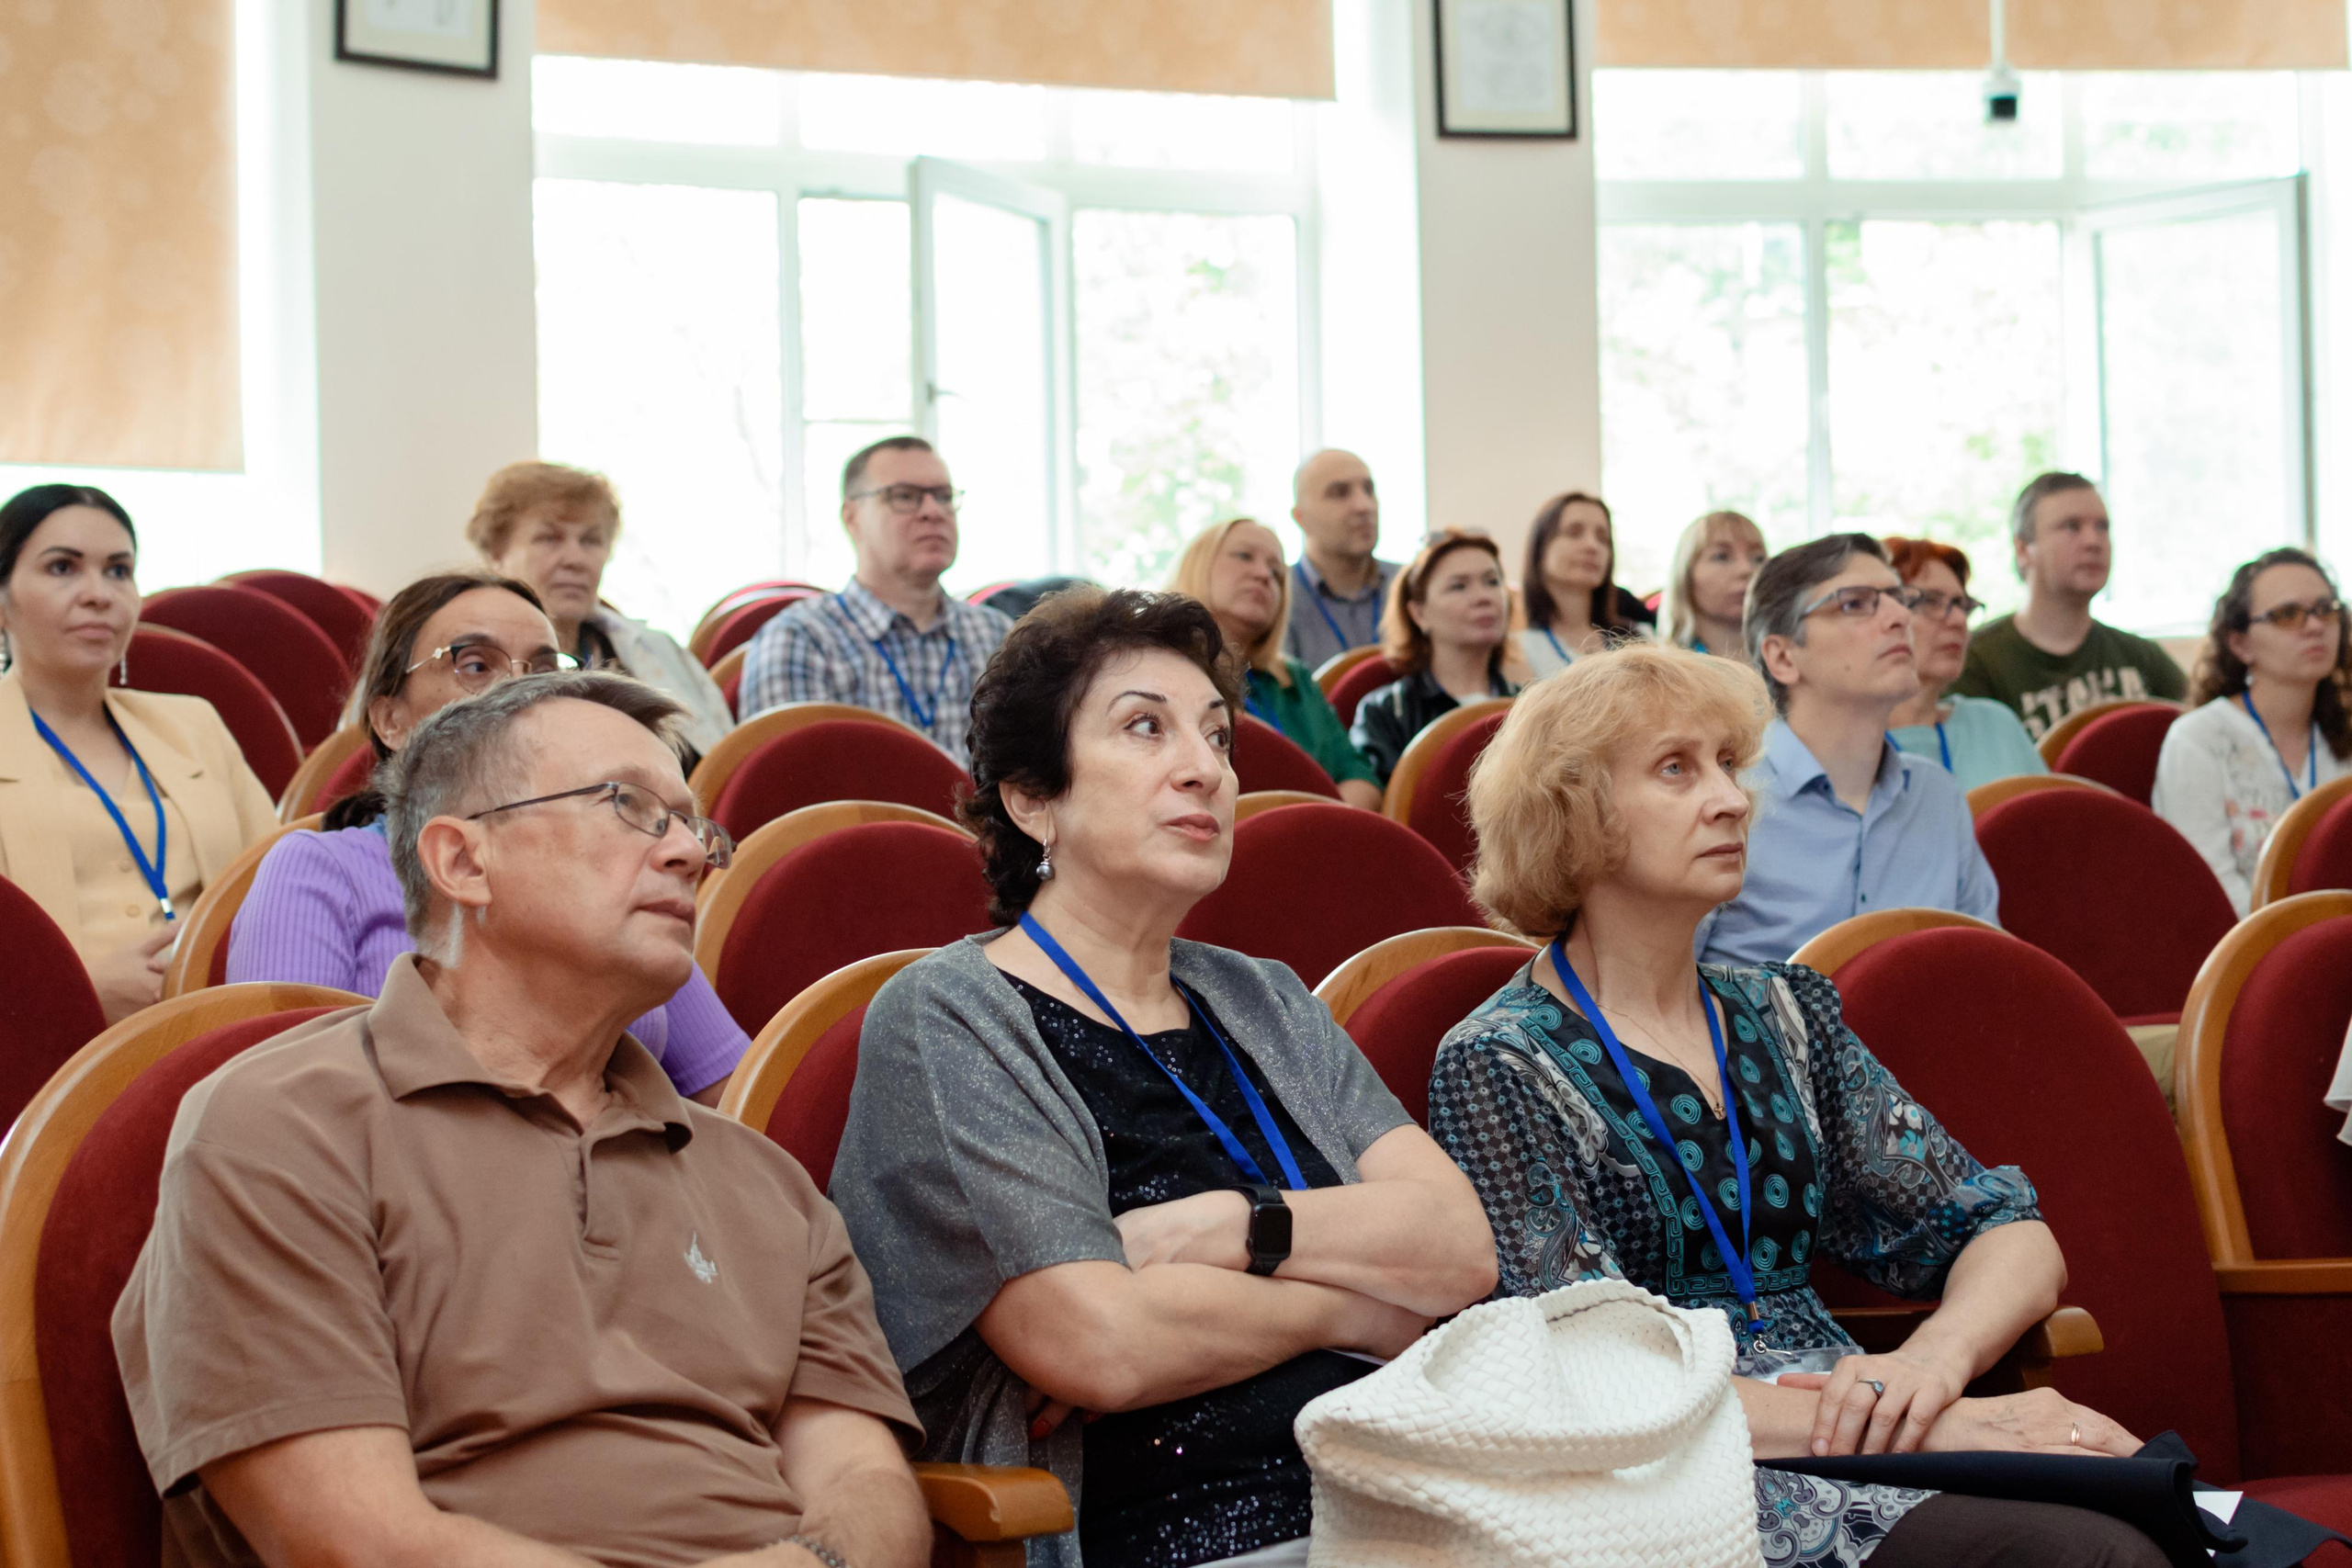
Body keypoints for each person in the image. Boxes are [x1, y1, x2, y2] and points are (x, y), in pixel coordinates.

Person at [115, 671, 929, 1568]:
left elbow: (867, 1489)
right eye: (626, 806)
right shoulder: (281, 1125)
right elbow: (349, 1542)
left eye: (694, 826)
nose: (689, 855)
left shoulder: (764, 1181)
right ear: (463, 861)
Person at [1429, 644, 2162, 1568]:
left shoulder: (1784, 1014)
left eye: (1728, 766)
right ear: (1577, 813)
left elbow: (2008, 1235)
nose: (1733, 798)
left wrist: (1930, 1368)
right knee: (2096, 1554)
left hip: (1859, 1426)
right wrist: (1936, 1429)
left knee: (2152, 1511)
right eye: (1675, 769)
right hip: (1672, 1475)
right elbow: (1592, 1371)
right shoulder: (1499, 1060)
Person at [831, 587, 1497, 1568]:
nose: (1206, 770)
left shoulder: (1262, 997)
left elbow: (1457, 1248)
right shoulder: (950, 1017)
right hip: (1175, 1529)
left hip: (1415, 1490)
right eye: (1145, 728)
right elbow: (1100, 1344)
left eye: (1219, 738)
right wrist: (1359, 1311)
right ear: (1032, 799)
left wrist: (1231, 1230)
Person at [225, 572, 749, 1104]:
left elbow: (729, 1099)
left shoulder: (620, 868)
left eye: (545, 669)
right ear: (390, 720)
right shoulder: (323, 868)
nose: (521, 690)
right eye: (475, 665)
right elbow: (283, 1109)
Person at [0, 483, 277, 1022]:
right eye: (63, 568)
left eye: (118, 570)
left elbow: (277, 885)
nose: (99, 593)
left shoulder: (193, 724)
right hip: (43, 1049)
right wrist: (70, 992)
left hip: (222, 1029)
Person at [1697, 535, 1998, 967]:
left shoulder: (1937, 796)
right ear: (1783, 657)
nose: (1900, 618)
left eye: (1899, 599)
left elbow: (1989, 971)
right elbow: (1650, 1004)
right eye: (1855, 603)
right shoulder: (1727, 801)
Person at [740, 435, 1013, 769]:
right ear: (851, 517)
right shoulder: (800, 640)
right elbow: (789, 790)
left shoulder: (997, 635)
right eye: (904, 497)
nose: (933, 511)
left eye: (944, 497)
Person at [467, 460, 734, 761]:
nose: (575, 559)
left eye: (591, 540)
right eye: (549, 538)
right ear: (495, 553)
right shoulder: (471, 664)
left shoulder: (646, 653)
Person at [2153, 547, 2352, 916]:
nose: (2314, 626)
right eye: (2287, 615)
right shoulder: (2197, 741)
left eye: (2326, 609)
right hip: (2248, 954)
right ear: (2240, 643)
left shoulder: (2343, 728)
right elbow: (2210, 892)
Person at [1952, 472, 2187, 740]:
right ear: (2023, 550)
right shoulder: (1975, 662)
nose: (2093, 542)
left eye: (2102, 527)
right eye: (2071, 527)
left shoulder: (2141, 657)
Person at [1170, 516, 1382, 809]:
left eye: (1276, 571)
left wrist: (1312, 826)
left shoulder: (1294, 679)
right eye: (1244, 556)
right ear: (1198, 564)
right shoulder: (1161, 671)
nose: (1263, 574)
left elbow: (1359, 777)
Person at [1347, 529, 1522, 786]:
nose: (1483, 597)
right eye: (1458, 586)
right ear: (1419, 614)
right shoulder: (1386, 712)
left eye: (1492, 582)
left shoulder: (1528, 708)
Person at [1882, 536, 2046, 794]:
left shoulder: (1995, 724)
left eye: (1962, 605)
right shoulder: (1838, 746)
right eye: (1931, 601)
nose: (1958, 620)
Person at [1283, 449, 1397, 672]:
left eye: (1368, 490)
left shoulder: (1413, 585)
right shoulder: (1274, 598)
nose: (1364, 506)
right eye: (1340, 493)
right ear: (1300, 517)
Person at [1515, 491, 1647, 680]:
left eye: (1603, 539)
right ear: (1541, 548)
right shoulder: (1520, 650)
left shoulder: (1641, 636)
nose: (1592, 546)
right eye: (1574, 533)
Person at [1660, 510, 1770, 656]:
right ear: (1687, 574)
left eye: (1758, 558)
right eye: (1721, 556)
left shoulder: (1793, 661)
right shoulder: (1665, 671)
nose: (1747, 569)